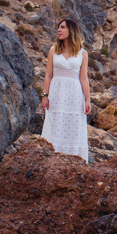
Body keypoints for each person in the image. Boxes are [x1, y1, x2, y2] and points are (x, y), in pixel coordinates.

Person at [39, 18, 90, 160]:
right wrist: (44, 95)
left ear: (71, 30)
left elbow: (84, 78)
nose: (59, 30)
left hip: (75, 95)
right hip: (56, 94)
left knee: (73, 127)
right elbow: (48, 75)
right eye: (58, 27)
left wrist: (87, 99)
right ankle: (50, 159)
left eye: (62, 27)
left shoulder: (82, 53)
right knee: (54, 123)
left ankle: (74, 160)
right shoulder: (53, 50)